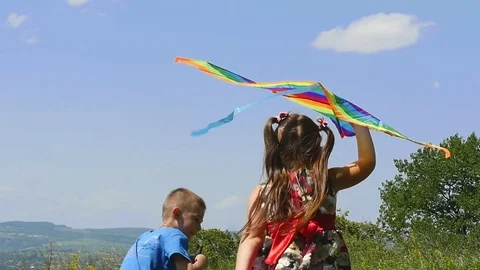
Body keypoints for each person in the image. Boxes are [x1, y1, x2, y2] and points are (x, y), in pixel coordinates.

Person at [235, 112, 376, 270]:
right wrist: (358, 123)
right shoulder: (327, 181)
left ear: (276, 148)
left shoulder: (264, 192)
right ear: (317, 144)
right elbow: (366, 163)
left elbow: (251, 239)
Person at [120, 188, 208, 270]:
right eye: (196, 219)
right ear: (177, 213)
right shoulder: (175, 235)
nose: (199, 228)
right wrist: (201, 261)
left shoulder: (144, 237)